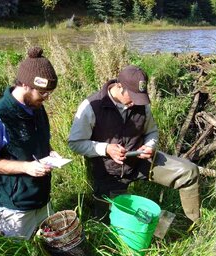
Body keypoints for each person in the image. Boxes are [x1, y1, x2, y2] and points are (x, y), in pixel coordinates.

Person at [68, 65, 200, 224]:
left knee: (189, 172)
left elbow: (152, 132)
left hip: (140, 162)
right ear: (119, 87)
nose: (136, 102)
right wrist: (106, 149)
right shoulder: (91, 106)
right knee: (107, 224)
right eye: (133, 97)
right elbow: (75, 143)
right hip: (108, 173)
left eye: (140, 98)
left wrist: (150, 146)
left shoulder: (141, 104)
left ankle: (193, 224)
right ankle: (153, 223)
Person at [0, 46, 58, 239]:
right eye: (43, 92)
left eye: (49, 92)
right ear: (25, 85)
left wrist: (51, 153)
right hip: (14, 206)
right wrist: (26, 168)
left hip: (41, 198)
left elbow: (40, 142)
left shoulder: (37, 108)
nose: (46, 98)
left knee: (45, 248)